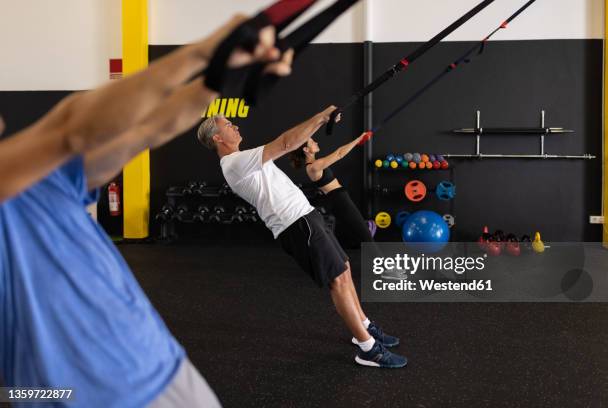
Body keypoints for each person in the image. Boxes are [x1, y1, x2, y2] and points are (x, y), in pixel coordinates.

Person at [0, 14, 293, 407]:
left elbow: (149, 129)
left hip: (163, 364)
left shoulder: (45, 177)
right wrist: (206, 51)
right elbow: (72, 127)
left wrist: (222, 78)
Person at [197, 111, 408, 368]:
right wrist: (321, 117)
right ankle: (368, 349)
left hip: (307, 217)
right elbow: (286, 143)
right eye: (229, 125)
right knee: (337, 281)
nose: (236, 126)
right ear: (218, 137)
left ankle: (364, 326)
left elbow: (292, 143)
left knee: (345, 268)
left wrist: (320, 124)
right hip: (296, 225)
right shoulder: (233, 163)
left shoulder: (244, 158)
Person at [288, 136, 407, 281]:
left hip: (340, 199)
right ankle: (387, 270)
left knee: (362, 234)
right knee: (366, 236)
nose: (316, 142)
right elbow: (339, 154)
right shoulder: (313, 166)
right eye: (312, 142)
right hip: (339, 201)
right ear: (306, 150)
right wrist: (358, 139)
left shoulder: (315, 164)